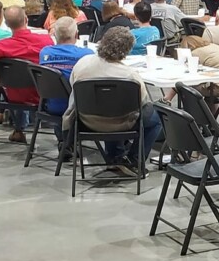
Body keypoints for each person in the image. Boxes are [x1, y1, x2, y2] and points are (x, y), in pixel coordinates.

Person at [64, 27, 161, 171]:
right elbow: (142, 104)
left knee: (107, 107)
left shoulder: (82, 63)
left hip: (85, 122)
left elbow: (73, 87)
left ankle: (114, 156)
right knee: (155, 119)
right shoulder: (130, 76)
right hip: (119, 123)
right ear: (127, 50)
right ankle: (134, 160)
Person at [0, 6, 53, 142]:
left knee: (12, 84)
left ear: (7, 24)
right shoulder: (46, 42)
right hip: (42, 95)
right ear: (26, 19)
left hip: (12, 96)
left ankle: (18, 130)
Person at [38, 16, 94, 125]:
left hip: (51, 106)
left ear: (54, 34)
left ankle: (62, 139)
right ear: (76, 35)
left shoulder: (45, 53)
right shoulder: (87, 54)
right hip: (79, 108)